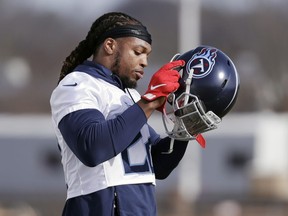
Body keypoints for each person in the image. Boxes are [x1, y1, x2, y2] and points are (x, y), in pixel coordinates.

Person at [50, 12, 189, 216]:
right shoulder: (76, 85)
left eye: (147, 55)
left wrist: (185, 128)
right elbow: (93, 147)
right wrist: (148, 102)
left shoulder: (130, 95)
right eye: (138, 51)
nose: (144, 62)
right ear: (110, 46)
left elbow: (158, 165)